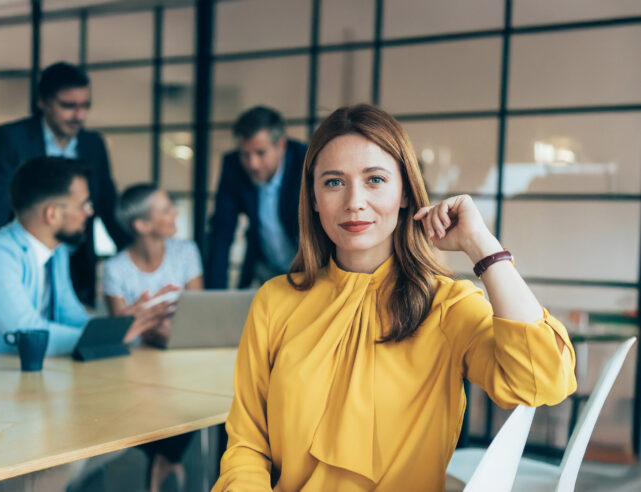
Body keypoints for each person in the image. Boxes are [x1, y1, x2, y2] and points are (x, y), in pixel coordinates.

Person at [212, 105, 577, 491]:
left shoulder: (446, 304)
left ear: (404, 192)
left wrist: (481, 246)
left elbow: (543, 379)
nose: (354, 201)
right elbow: (247, 445)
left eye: (375, 179)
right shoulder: (275, 300)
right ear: (314, 198)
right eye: (334, 182)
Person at [0, 157, 150, 358]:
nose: (90, 212)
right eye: (84, 205)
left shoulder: (56, 253)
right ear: (51, 214)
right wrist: (105, 339)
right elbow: (29, 333)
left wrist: (116, 328)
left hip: (24, 377)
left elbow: (71, 316)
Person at [0, 61, 128, 306]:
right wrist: (2, 257)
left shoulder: (93, 144)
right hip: (25, 255)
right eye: (68, 106)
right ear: (43, 102)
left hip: (77, 259)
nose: (79, 115)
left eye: (85, 106)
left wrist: (131, 254)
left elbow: (106, 202)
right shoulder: (12, 137)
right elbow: (0, 200)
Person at [103, 183, 203, 492]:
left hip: (181, 360)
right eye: (165, 209)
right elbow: (121, 334)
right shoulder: (115, 268)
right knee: (143, 397)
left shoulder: (186, 252)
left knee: (189, 391)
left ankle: (163, 460)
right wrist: (154, 329)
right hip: (136, 367)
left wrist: (148, 325)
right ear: (142, 225)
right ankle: (168, 460)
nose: (175, 212)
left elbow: (195, 318)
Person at [205, 106, 307, 289]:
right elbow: (221, 232)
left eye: (260, 153)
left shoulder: (305, 160)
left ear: (281, 145)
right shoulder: (233, 166)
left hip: (309, 266)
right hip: (266, 269)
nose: (252, 164)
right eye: (245, 154)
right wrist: (214, 296)